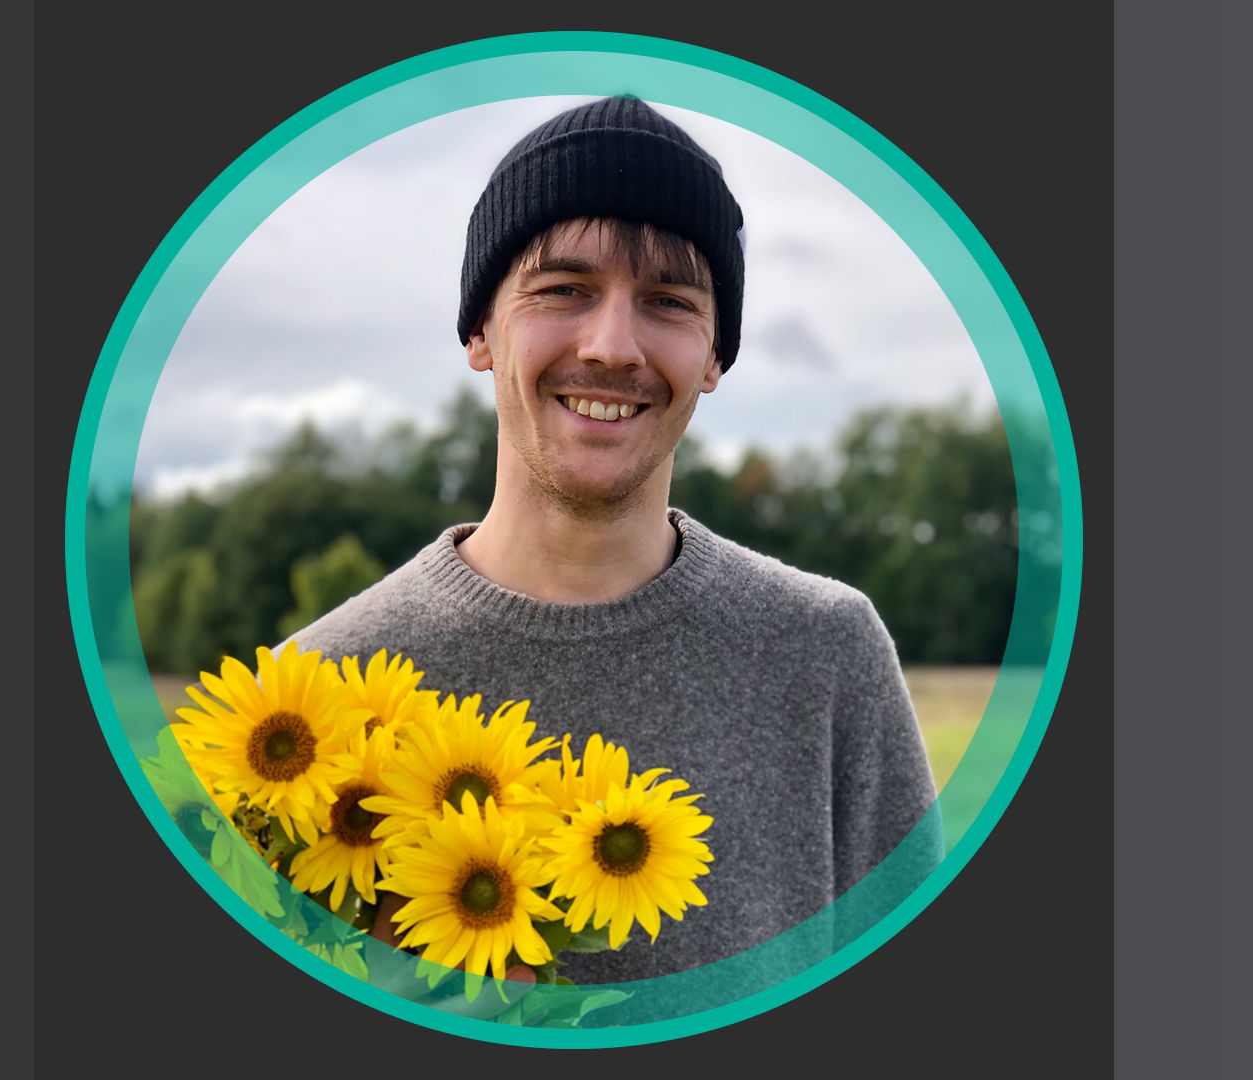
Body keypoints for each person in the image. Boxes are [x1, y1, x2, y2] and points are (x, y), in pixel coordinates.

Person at [290, 96, 943, 985]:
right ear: (480, 330)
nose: (612, 347)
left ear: (714, 357)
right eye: (565, 289)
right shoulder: (312, 697)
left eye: (669, 302)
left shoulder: (826, 654)